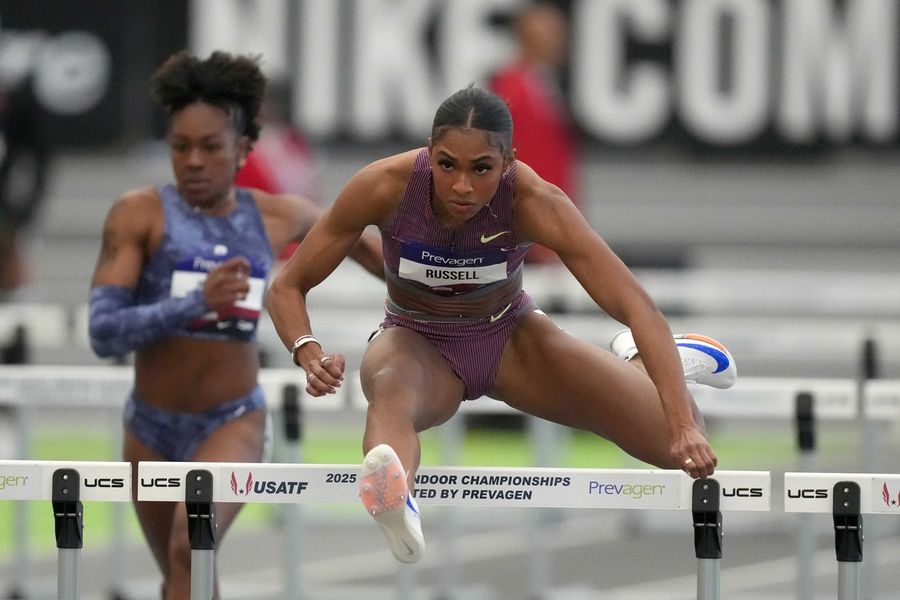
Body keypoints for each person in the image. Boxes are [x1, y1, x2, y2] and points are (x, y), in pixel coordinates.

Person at [265, 85, 736, 565]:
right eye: (447, 165)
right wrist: (307, 349)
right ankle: (394, 499)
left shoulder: (534, 201)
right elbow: (288, 285)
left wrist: (681, 426)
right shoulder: (384, 185)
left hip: (510, 337)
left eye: (481, 170)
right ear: (429, 152)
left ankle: (645, 361)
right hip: (416, 340)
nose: (461, 187)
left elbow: (638, 308)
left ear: (508, 161)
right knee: (390, 391)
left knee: (676, 447)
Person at [87, 51, 382, 599]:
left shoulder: (279, 216)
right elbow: (104, 333)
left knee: (188, 546)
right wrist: (193, 301)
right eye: (180, 147)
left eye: (210, 147)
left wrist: (441, 290)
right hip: (150, 428)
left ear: (244, 149)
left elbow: (373, 251)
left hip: (233, 422)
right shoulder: (139, 215)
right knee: (187, 576)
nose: (193, 161)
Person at [489, 1, 579, 265]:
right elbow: (511, 163)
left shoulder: (542, 85)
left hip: (551, 223)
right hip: (530, 234)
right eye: (552, 34)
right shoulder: (511, 90)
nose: (560, 41)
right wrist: (537, 233)